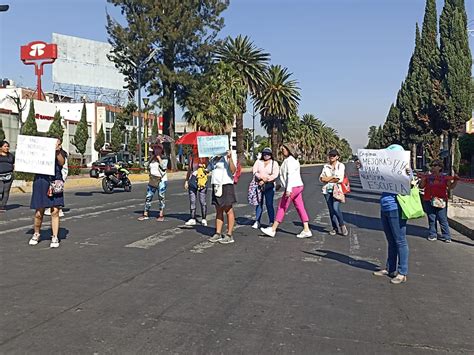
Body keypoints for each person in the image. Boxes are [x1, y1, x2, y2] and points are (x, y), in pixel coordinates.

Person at [358, 144, 411, 285]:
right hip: (385, 206)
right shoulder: (386, 170)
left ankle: (402, 272)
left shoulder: (406, 170)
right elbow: (372, 173)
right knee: (391, 240)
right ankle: (390, 268)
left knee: (400, 240)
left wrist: (407, 174)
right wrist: (363, 166)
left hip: (397, 208)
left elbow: (410, 184)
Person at [260, 144, 312, 239]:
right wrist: (280, 184)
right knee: (300, 207)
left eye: (283, 149)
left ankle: (273, 229)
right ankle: (306, 229)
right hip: (298, 186)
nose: (282, 150)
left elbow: (290, 175)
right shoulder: (292, 160)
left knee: (282, 206)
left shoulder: (290, 161)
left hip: (293, 187)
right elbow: (285, 175)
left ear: (289, 150)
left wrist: (288, 189)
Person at [29, 138, 67, 248]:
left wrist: (57, 151)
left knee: (55, 210)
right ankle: (36, 233)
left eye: (59, 144)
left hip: (55, 181)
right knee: (39, 211)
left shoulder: (61, 153)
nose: (57, 145)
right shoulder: (39, 152)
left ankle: (55, 236)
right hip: (41, 181)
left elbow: (61, 162)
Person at [418, 159, 458, 243]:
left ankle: (446, 236)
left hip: (441, 200)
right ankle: (432, 234)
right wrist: (423, 179)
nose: (432, 167)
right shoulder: (428, 176)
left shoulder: (444, 177)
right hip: (428, 199)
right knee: (431, 218)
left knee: (442, 218)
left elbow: (450, 187)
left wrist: (455, 181)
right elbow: (421, 186)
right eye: (431, 165)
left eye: (434, 165)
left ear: (440, 167)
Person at [207, 150, 237, 244]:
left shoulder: (229, 154)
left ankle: (229, 234)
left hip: (226, 184)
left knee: (228, 209)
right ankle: (218, 233)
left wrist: (230, 158)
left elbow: (233, 170)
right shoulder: (213, 157)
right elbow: (209, 169)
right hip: (216, 184)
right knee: (218, 209)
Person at [319, 149, 348, 236]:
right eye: (330, 155)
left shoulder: (341, 166)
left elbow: (339, 178)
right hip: (327, 190)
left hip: (337, 190)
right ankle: (334, 228)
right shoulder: (326, 166)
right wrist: (332, 178)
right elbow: (321, 178)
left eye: (334, 155)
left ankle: (342, 225)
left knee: (336, 208)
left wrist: (327, 179)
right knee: (331, 210)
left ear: (337, 157)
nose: (332, 157)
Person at [251, 147, 279, 229]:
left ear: (271, 154)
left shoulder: (274, 163)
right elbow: (254, 171)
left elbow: (275, 174)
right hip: (259, 185)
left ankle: (271, 222)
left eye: (268, 154)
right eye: (264, 153)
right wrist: (261, 178)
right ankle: (257, 221)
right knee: (259, 203)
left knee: (269, 204)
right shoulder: (258, 162)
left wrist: (266, 180)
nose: (266, 155)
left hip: (269, 185)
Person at [138, 144, 168, 221]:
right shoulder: (151, 158)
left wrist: (159, 158)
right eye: (155, 148)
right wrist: (151, 158)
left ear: (161, 150)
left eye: (158, 148)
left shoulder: (164, 158)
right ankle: (145, 213)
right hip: (152, 179)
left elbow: (164, 167)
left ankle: (161, 214)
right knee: (148, 196)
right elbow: (145, 165)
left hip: (161, 180)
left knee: (161, 197)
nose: (157, 150)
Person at [184, 151, 209, 226]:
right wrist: (186, 180)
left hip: (202, 180)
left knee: (202, 201)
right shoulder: (192, 157)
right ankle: (192, 218)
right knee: (192, 201)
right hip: (192, 180)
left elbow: (209, 168)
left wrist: (203, 166)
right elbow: (189, 170)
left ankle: (204, 218)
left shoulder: (205, 157)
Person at [0, 140, 15, 212]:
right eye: (5, 146)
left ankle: (2, 206)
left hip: (9, 175)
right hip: (0, 176)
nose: (7, 148)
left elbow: (14, 164)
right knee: (0, 189)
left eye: (8, 146)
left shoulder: (11, 156)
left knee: (6, 191)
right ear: (1, 147)